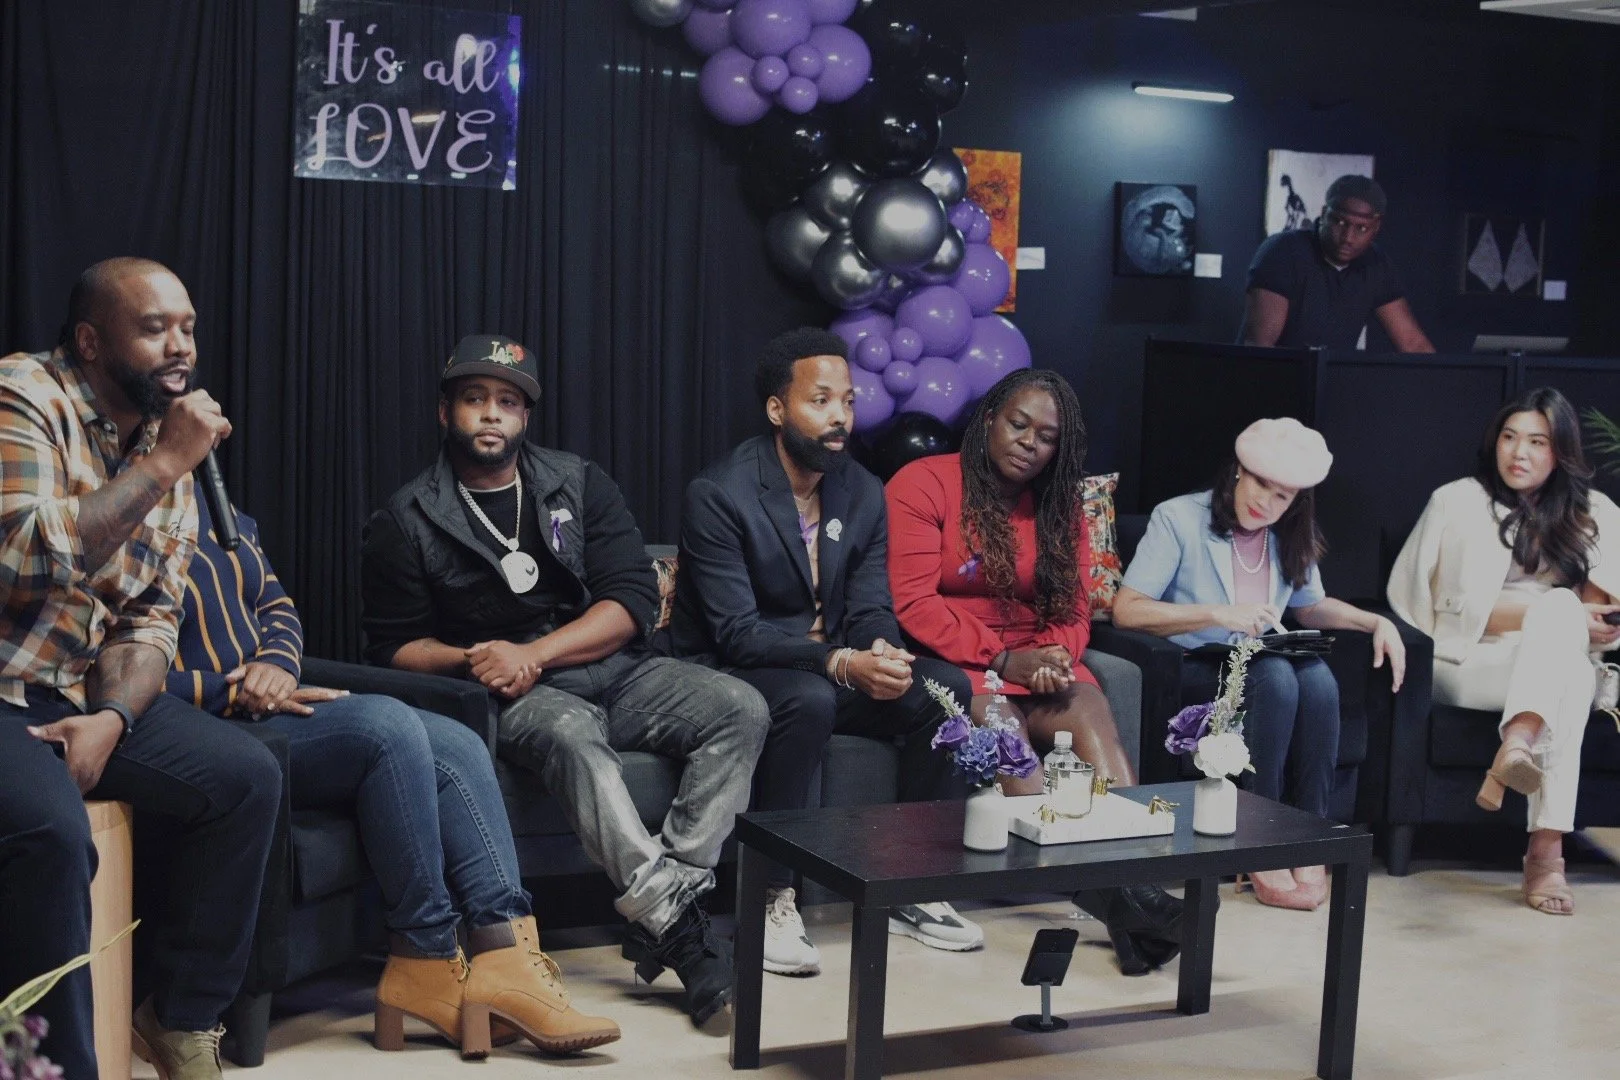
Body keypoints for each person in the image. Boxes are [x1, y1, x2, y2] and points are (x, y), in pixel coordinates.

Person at [361, 335, 769, 1025]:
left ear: (525, 417)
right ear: (445, 412)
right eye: (475, 399)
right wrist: (473, 659)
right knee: (575, 738)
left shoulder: (577, 483)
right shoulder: (406, 518)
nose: (492, 414)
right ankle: (685, 935)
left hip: (606, 667)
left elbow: (632, 600)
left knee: (741, 707)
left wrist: (539, 652)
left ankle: (665, 910)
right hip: (509, 694)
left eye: (508, 402)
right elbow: (391, 649)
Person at [170, 494, 619, 1058]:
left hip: (272, 701)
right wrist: (232, 688)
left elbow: (277, 608)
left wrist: (278, 666)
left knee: (456, 742)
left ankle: (509, 954)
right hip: (198, 721)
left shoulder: (221, 509)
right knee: (387, 725)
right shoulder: (125, 519)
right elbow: (115, 667)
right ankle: (424, 955)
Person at [0, 258, 280, 1080]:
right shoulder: (25, 394)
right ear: (91, 341)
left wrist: (114, 719)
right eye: (155, 328)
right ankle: (45, 1070)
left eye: (187, 327)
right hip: (1, 687)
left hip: (77, 688)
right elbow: (18, 557)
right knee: (50, 836)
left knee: (244, 779)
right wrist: (160, 468)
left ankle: (180, 1018)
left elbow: (150, 615)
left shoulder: (171, 438)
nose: (180, 347)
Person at [670, 327, 984, 979]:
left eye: (847, 399)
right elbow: (737, 633)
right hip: (737, 674)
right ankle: (769, 897)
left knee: (943, 691)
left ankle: (913, 885)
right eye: (821, 400)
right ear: (778, 409)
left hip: (830, 667)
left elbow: (870, 604)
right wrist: (841, 664)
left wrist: (884, 656)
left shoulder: (862, 490)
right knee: (809, 699)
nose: (840, 414)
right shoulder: (720, 494)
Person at [884, 368, 1185, 975]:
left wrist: (1053, 655)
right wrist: (1000, 658)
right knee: (1015, 755)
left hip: (1038, 659)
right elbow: (913, 601)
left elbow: (1074, 604)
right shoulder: (923, 483)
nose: (1027, 441)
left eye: (1044, 436)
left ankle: (1135, 900)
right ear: (989, 418)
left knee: (1103, 739)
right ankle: (1140, 909)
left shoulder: (1058, 503)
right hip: (961, 660)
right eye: (1017, 424)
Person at [1112, 418, 1407, 910]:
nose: (1265, 504)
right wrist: (1217, 613)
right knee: (1276, 678)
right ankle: (1258, 838)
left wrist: (1375, 622)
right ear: (1238, 472)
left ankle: (1311, 837)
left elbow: (1311, 606)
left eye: (1282, 497)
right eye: (1261, 486)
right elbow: (1128, 608)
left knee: (1316, 681)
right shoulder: (1179, 518)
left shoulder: (1289, 532)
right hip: (1194, 663)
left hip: (1258, 661)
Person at [1388, 387, 1620, 916]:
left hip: (1557, 659)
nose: (1519, 453)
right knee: (1560, 619)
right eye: (1510, 438)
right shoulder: (1456, 500)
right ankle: (1545, 854)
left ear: (1560, 451)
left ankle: (1516, 747)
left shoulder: (1596, 510)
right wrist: (1552, 613)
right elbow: (1427, 606)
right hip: (1471, 658)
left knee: (1571, 663)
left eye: (1537, 442)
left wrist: (1596, 624)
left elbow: (1603, 607)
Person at [1239, 174, 1434, 353]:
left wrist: (1442, 386)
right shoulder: (1283, 251)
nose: (1348, 238)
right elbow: (1260, 345)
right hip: (1271, 380)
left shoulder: (1376, 264)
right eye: (1340, 222)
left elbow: (1412, 343)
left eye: (1362, 228)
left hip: (1328, 383)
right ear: (1324, 214)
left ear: (1376, 228)